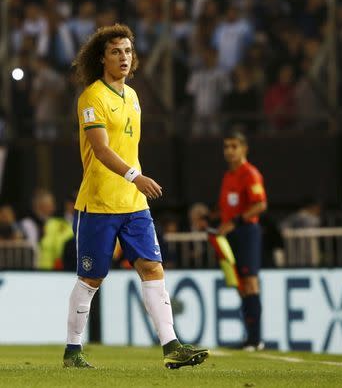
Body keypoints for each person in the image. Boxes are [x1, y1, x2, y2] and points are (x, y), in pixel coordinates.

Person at [63, 23, 208, 369]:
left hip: (133, 204)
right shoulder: (92, 97)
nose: (124, 57)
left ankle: (171, 345)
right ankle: (72, 350)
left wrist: (135, 183)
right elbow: (100, 149)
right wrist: (135, 176)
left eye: (128, 51)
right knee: (91, 278)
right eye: (115, 51)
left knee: (152, 267)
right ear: (102, 58)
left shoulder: (133, 96)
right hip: (98, 203)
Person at [217, 131, 267, 351]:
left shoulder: (250, 174)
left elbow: (260, 205)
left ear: (244, 149)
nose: (229, 151)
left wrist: (235, 222)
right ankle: (251, 338)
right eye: (226, 146)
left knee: (250, 282)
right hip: (233, 234)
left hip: (247, 232)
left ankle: (256, 339)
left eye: (234, 146)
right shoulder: (229, 176)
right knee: (241, 285)